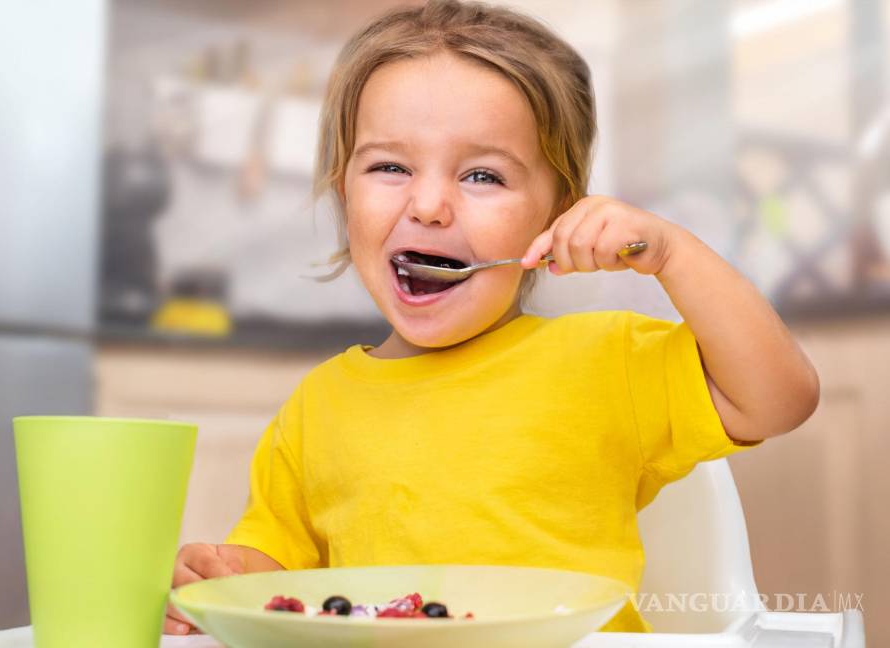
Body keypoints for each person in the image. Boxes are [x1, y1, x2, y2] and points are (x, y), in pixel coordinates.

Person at [165, 0, 819, 634]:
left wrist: (674, 254)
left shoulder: (607, 362)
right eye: (389, 166)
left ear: (556, 216)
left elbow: (781, 398)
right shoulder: (315, 411)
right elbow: (272, 582)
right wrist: (215, 580)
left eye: (482, 176)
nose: (428, 205)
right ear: (346, 195)